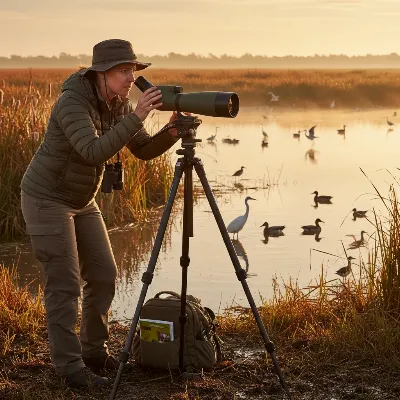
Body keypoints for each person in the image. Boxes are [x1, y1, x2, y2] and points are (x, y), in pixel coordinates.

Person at [20, 39, 181, 389]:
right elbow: (92, 152)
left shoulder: (119, 104)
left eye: (133, 71)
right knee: (64, 285)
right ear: (100, 74)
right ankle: (70, 369)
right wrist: (139, 114)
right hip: (47, 198)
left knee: (105, 275)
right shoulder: (71, 102)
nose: (130, 78)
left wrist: (170, 132)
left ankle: (93, 352)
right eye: (124, 71)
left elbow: (141, 149)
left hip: (81, 199)